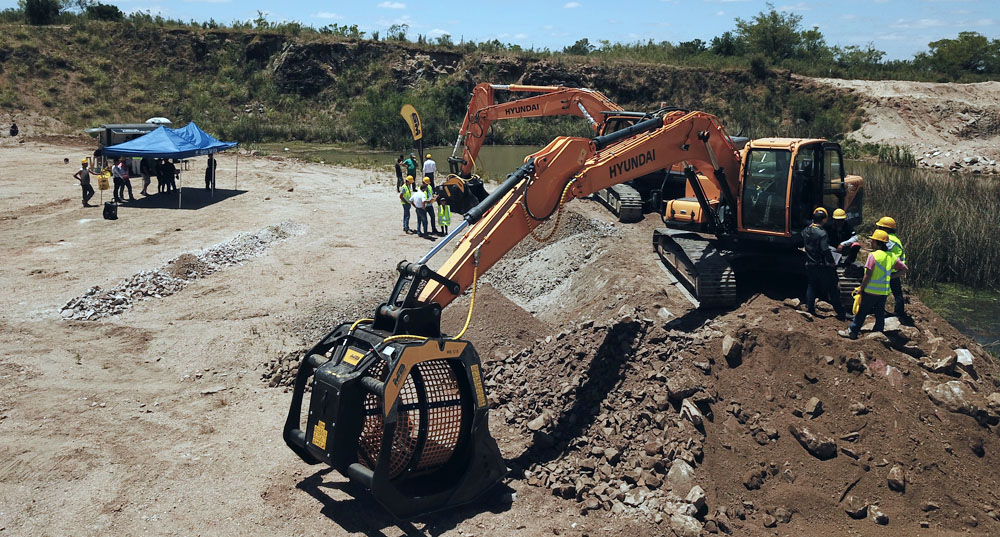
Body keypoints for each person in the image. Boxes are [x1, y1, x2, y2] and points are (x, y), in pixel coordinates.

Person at [840, 229, 909, 340]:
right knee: (880, 313)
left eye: (873, 241)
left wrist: (861, 288)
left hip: (871, 291)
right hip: (883, 291)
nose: (871, 242)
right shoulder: (891, 256)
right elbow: (904, 269)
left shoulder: (873, 256)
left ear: (877, 242)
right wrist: (890, 276)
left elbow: (867, 275)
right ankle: (878, 332)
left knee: (861, 312)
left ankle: (852, 332)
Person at [802, 208, 850, 320]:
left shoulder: (805, 231)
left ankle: (810, 309)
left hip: (809, 263)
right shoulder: (822, 233)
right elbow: (825, 250)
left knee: (811, 285)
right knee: (832, 288)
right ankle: (841, 314)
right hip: (821, 265)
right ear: (823, 220)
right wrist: (832, 262)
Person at [876, 216, 910, 322]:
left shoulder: (889, 240)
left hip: (890, 269)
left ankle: (893, 314)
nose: (878, 229)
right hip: (895, 269)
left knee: (883, 292)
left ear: (886, 229)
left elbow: (884, 252)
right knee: (897, 293)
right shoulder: (895, 239)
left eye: (880, 227)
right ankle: (899, 314)